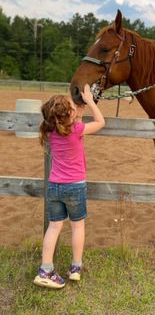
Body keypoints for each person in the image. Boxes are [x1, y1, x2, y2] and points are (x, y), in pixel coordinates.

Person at [33, 84, 105, 289]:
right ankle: (75, 267)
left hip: (55, 185)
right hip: (75, 186)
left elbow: (67, 125)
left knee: (54, 226)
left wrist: (75, 113)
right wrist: (90, 101)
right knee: (77, 226)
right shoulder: (77, 129)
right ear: (68, 116)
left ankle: (45, 269)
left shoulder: (50, 132)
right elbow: (101, 122)